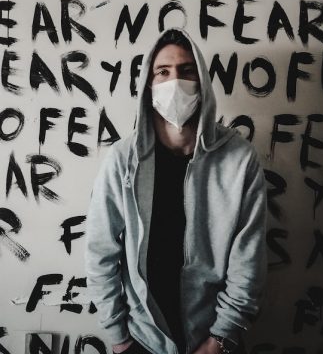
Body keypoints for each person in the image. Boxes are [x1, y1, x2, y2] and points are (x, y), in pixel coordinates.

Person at [85, 28, 267, 354]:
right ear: (149, 84)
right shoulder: (123, 159)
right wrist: (119, 338)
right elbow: (101, 251)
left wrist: (220, 338)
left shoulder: (239, 159)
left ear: (202, 81)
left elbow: (248, 260)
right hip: (140, 339)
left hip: (215, 339)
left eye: (186, 71)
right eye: (163, 72)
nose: (175, 82)